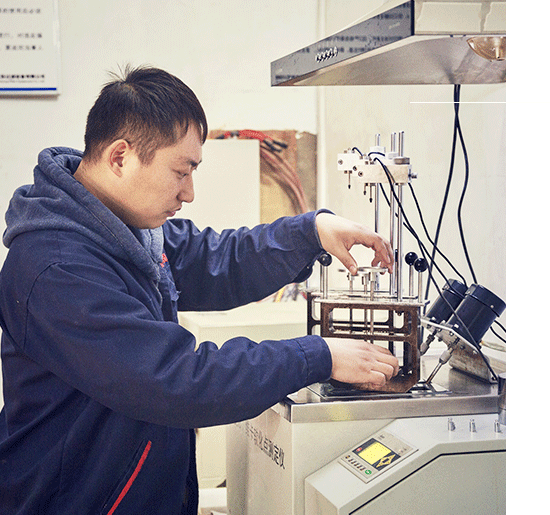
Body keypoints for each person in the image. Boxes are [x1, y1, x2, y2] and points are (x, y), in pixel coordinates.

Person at [0, 66, 397, 514]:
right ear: (120, 157)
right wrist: (317, 356)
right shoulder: (58, 268)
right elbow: (172, 379)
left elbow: (215, 260)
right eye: (180, 171)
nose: (188, 193)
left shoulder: (129, 231)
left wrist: (311, 233)